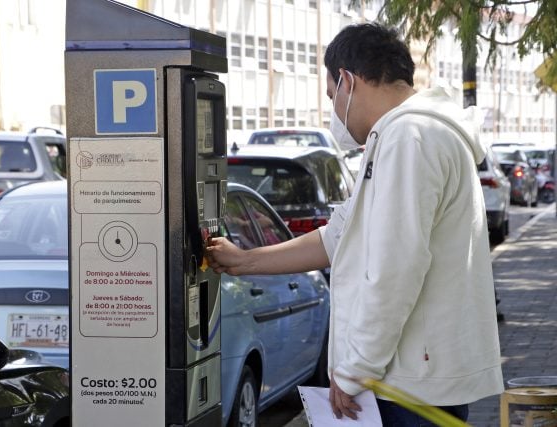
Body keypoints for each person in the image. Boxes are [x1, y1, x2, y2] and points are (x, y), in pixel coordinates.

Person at [206, 22, 503, 425]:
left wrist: (355, 368)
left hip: (404, 384)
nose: (333, 112)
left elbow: (395, 267)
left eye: (332, 96)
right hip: (415, 378)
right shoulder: (413, 135)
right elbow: (340, 236)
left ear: (347, 79)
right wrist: (245, 261)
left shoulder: (408, 137)